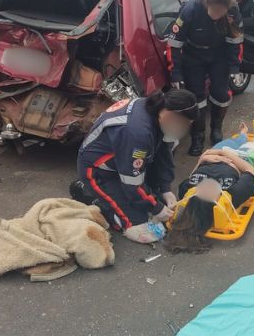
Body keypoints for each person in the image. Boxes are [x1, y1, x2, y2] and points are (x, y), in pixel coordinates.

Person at [73, 90, 200, 244]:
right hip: (98, 172)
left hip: (123, 164)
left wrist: (165, 188)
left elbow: (163, 152)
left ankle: (130, 199)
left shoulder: (157, 108)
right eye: (184, 124)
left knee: (155, 202)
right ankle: (88, 194)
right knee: (138, 225)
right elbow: (132, 182)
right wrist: (156, 207)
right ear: (171, 115)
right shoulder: (138, 133)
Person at [166, 120, 254, 253]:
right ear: (216, 204)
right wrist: (227, 156)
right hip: (245, 159)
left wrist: (202, 159)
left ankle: (242, 135)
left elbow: (193, 174)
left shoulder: (188, 190)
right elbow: (250, 171)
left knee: (232, 142)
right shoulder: (233, 195)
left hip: (214, 155)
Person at [165, 0, 244, 155]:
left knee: (221, 94)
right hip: (194, 55)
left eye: (220, 12)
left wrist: (234, 68)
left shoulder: (233, 10)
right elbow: (174, 44)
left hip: (218, 54)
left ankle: (216, 128)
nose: (217, 15)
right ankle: (198, 136)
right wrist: (176, 72)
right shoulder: (191, 9)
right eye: (214, 10)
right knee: (196, 96)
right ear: (207, 3)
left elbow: (235, 40)